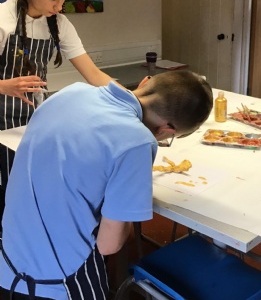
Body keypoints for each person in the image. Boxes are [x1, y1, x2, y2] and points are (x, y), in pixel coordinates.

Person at [0, 70, 213, 300]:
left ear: (145, 82)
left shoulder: (70, 92)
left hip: (9, 260)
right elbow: (108, 245)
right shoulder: (138, 141)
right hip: (58, 282)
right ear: (166, 130)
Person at [0, 0, 116, 216]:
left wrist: (135, 98)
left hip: (33, 120)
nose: (59, 7)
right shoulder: (3, 20)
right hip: (1, 123)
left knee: (32, 191)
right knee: (7, 194)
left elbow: (93, 74)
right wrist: (5, 86)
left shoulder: (58, 24)